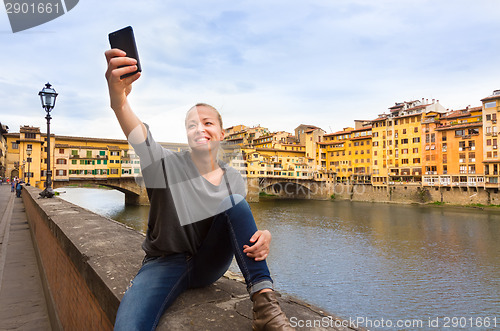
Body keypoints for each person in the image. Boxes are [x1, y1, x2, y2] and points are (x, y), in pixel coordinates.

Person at [105, 49, 294, 331]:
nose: (200, 129)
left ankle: (265, 306)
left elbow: (238, 224)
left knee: (235, 202)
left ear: (222, 132)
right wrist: (119, 99)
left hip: (209, 264)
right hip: (163, 262)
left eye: (207, 123)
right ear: (187, 134)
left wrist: (264, 235)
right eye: (192, 124)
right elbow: (136, 133)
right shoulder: (163, 164)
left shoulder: (233, 178)